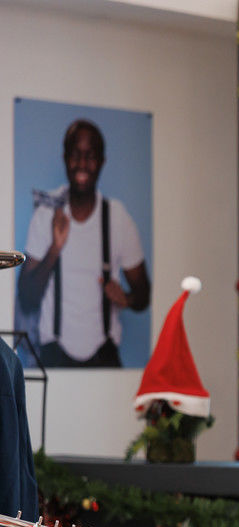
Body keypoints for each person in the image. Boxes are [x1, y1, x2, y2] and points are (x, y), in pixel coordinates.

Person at [18, 118, 151, 367]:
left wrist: (127, 299)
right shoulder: (47, 214)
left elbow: (144, 294)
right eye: (75, 155)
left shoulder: (117, 217)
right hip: (54, 358)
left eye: (90, 156)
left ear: (101, 162)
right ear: (65, 158)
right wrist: (54, 249)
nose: (82, 164)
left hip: (105, 359)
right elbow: (26, 297)